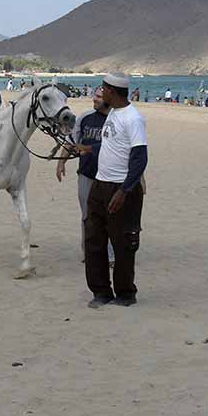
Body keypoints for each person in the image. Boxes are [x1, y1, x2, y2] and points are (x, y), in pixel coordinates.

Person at [77, 73, 147, 308]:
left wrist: (124, 191)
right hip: (100, 184)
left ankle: (126, 294)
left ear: (112, 92)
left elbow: (140, 158)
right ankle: (101, 292)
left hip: (121, 188)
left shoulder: (133, 118)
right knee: (93, 240)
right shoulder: (114, 113)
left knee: (123, 243)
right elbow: (112, 144)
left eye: (103, 88)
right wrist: (88, 149)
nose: (100, 92)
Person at [57, 87, 114, 265]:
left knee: (110, 216)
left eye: (98, 96)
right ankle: (89, 252)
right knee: (87, 215)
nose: (94, 99)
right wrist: (61, 162)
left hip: (111, 177)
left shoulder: (117, 119)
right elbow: (71, 141)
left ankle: (110, 254)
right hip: (87, 174)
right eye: (94, 95)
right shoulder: (85, 118)